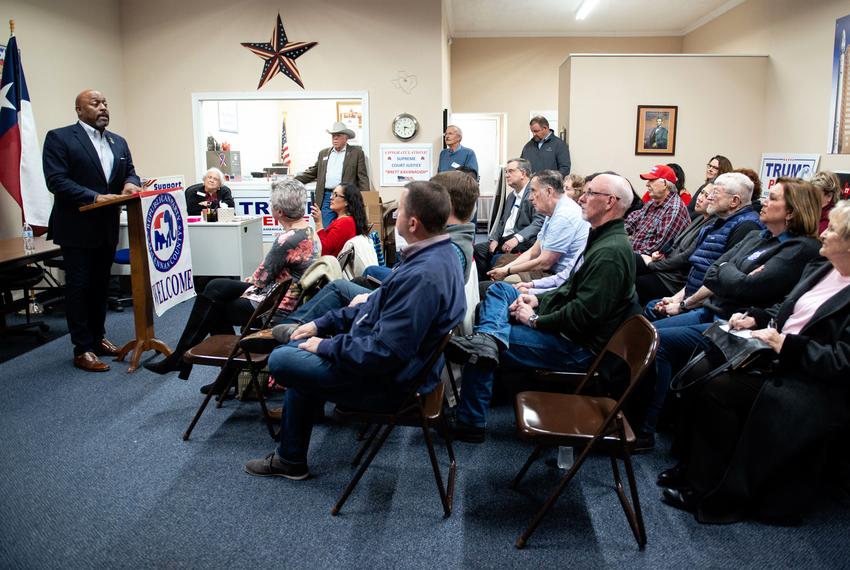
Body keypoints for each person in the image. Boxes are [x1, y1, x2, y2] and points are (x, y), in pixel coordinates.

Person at [242, 180, 466, 480]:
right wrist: (321, 324)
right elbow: (376, 307)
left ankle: (291, 457)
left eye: (398, 210)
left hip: (390, 383)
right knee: (298, 351)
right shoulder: (438, 253)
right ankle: (290, 456)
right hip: (390, 362)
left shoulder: (422, 276)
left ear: (413, 223)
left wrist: (325, 346)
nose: (393, 214)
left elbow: (383, 353)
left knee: (283, 360)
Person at [659, 200, 850, 523]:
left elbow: (843, 361)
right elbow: (787, 311)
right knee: (703, 367)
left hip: (813, 381)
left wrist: (787, 345)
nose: (824, 234)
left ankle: (712, 489)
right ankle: (694, 470)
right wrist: (757, 318)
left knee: (719, 388)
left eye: (831, 230)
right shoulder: (822, 269)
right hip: (778, 357)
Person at [445, 173, 637, 442]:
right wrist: (538, 299)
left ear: (610, 202)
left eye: (590, 193)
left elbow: (583, 316)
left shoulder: (611, 252)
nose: (581, 197)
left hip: (577, 348)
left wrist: (535, 319)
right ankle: (490, 341)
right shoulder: (602, 238)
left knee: (481, 347)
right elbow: (570, 288)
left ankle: (471, 421)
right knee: (500, 292)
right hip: (566, 329)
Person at [639, 178, 822, 448]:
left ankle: (647, 428)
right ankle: (653, 412)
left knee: (660, 343)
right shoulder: (757, 236)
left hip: (734, 324)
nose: (763, 202)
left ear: (792, 211)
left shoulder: (799, 248)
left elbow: (746, 285)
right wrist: (733, 275)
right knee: (645, 330)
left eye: (772, 198)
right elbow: (715, 271)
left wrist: (732, 274)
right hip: (710, 311)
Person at [144, 178, 319, 378]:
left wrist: (253, 280)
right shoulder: (309, 232)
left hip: (273, 307)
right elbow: (263, 278)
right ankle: (193, 364)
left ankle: (196, 365)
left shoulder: (286, 240)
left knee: (214, 306)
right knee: (215, 287)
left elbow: (259, 281)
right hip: (283, 297)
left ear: (279, 211)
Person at [42, 89, 142, 372]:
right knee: (79, 287)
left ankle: (98, 338)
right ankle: (82, 348)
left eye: (105, 103)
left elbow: (130, 170)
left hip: (106, 226)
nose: (103, 108)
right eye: (95, 103)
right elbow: (56, 180)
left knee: (101, 286)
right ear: (79, 109)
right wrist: (94, 197)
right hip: (76, 226)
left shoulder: (117, 141)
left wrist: (131, 183)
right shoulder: (60, 138)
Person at [485, 170, 588, 283]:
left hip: (559, 277)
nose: (530, 198)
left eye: (533, 191)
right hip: (548, 269)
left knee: (503, 282)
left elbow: (545, 263)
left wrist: (508, 271)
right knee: (501, 262)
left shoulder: (564, 216)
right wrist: (505, 269)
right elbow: (534, 251)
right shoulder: (552, 211)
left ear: (549, 191)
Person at [635, 188, 713, 305]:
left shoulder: (711, 226)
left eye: (706, 196)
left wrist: (653, 264)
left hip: (673, 279)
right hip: (665, 267)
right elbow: (675, 242)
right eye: (701, 193)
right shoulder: (699, 218)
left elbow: (685, 257)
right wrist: (660, 253)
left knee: (635, 281)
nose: (700, 198)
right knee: (628, 260)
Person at [473, 158, 544, 279]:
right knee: (479, 250)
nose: (506, 175)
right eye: (506, 172)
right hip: (504, 239)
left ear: (523, 173)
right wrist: (494, 238)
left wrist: (517, 238)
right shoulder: (511, 196)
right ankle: (483, 284)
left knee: (497, 258)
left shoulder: (533, 193)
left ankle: (491, 284)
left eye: (510, 171)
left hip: (523, 241)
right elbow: (503, 221)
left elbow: (539, 222)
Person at [295, 121, 370, 227]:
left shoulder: (356, 153)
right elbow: (313, 172)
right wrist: (293, 180)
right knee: (326, 227)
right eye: (333, 136)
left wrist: (365, 199)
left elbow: (362, 177)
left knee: (346, 226)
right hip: (327, 197)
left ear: (346, 138)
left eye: (338, 136)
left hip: (346, 197)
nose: (335, 138)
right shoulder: (323, 153)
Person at [625, 165, 691, 255]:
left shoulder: (674, 209)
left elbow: (656, 248)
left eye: (651, 180)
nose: (647, 184)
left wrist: (625, 252)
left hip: (646, 261)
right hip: (634, 253)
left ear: (664, 184)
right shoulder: (653, 202)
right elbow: (631, 222)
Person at [310, 183, 368, 257]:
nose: (331, 197)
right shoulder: (343, 220)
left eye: (336, 195)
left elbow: (323, 250)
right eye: (332, 194)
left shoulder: (345, 223)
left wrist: (318, 223)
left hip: (331, 266)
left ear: (347, 202)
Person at [688, 155, 733, 219]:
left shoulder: (721, 193)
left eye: (715, 168)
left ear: (723, 171)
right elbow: (690, 208)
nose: (710, 169)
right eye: (710, 166)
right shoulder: (703, 187)